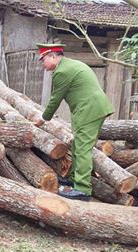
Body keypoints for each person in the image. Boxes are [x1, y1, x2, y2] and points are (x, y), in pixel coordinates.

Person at [34, 43, 114, 201]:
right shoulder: (71, 64)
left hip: (89, 110)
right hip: (93, 109)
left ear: (53, 56)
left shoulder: (62, 72)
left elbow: (55, 99)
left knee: (83, 149)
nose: (42, 64)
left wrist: (42, 119)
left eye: (43, 59)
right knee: (78, 146)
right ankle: (72, 180)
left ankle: (83, 190)